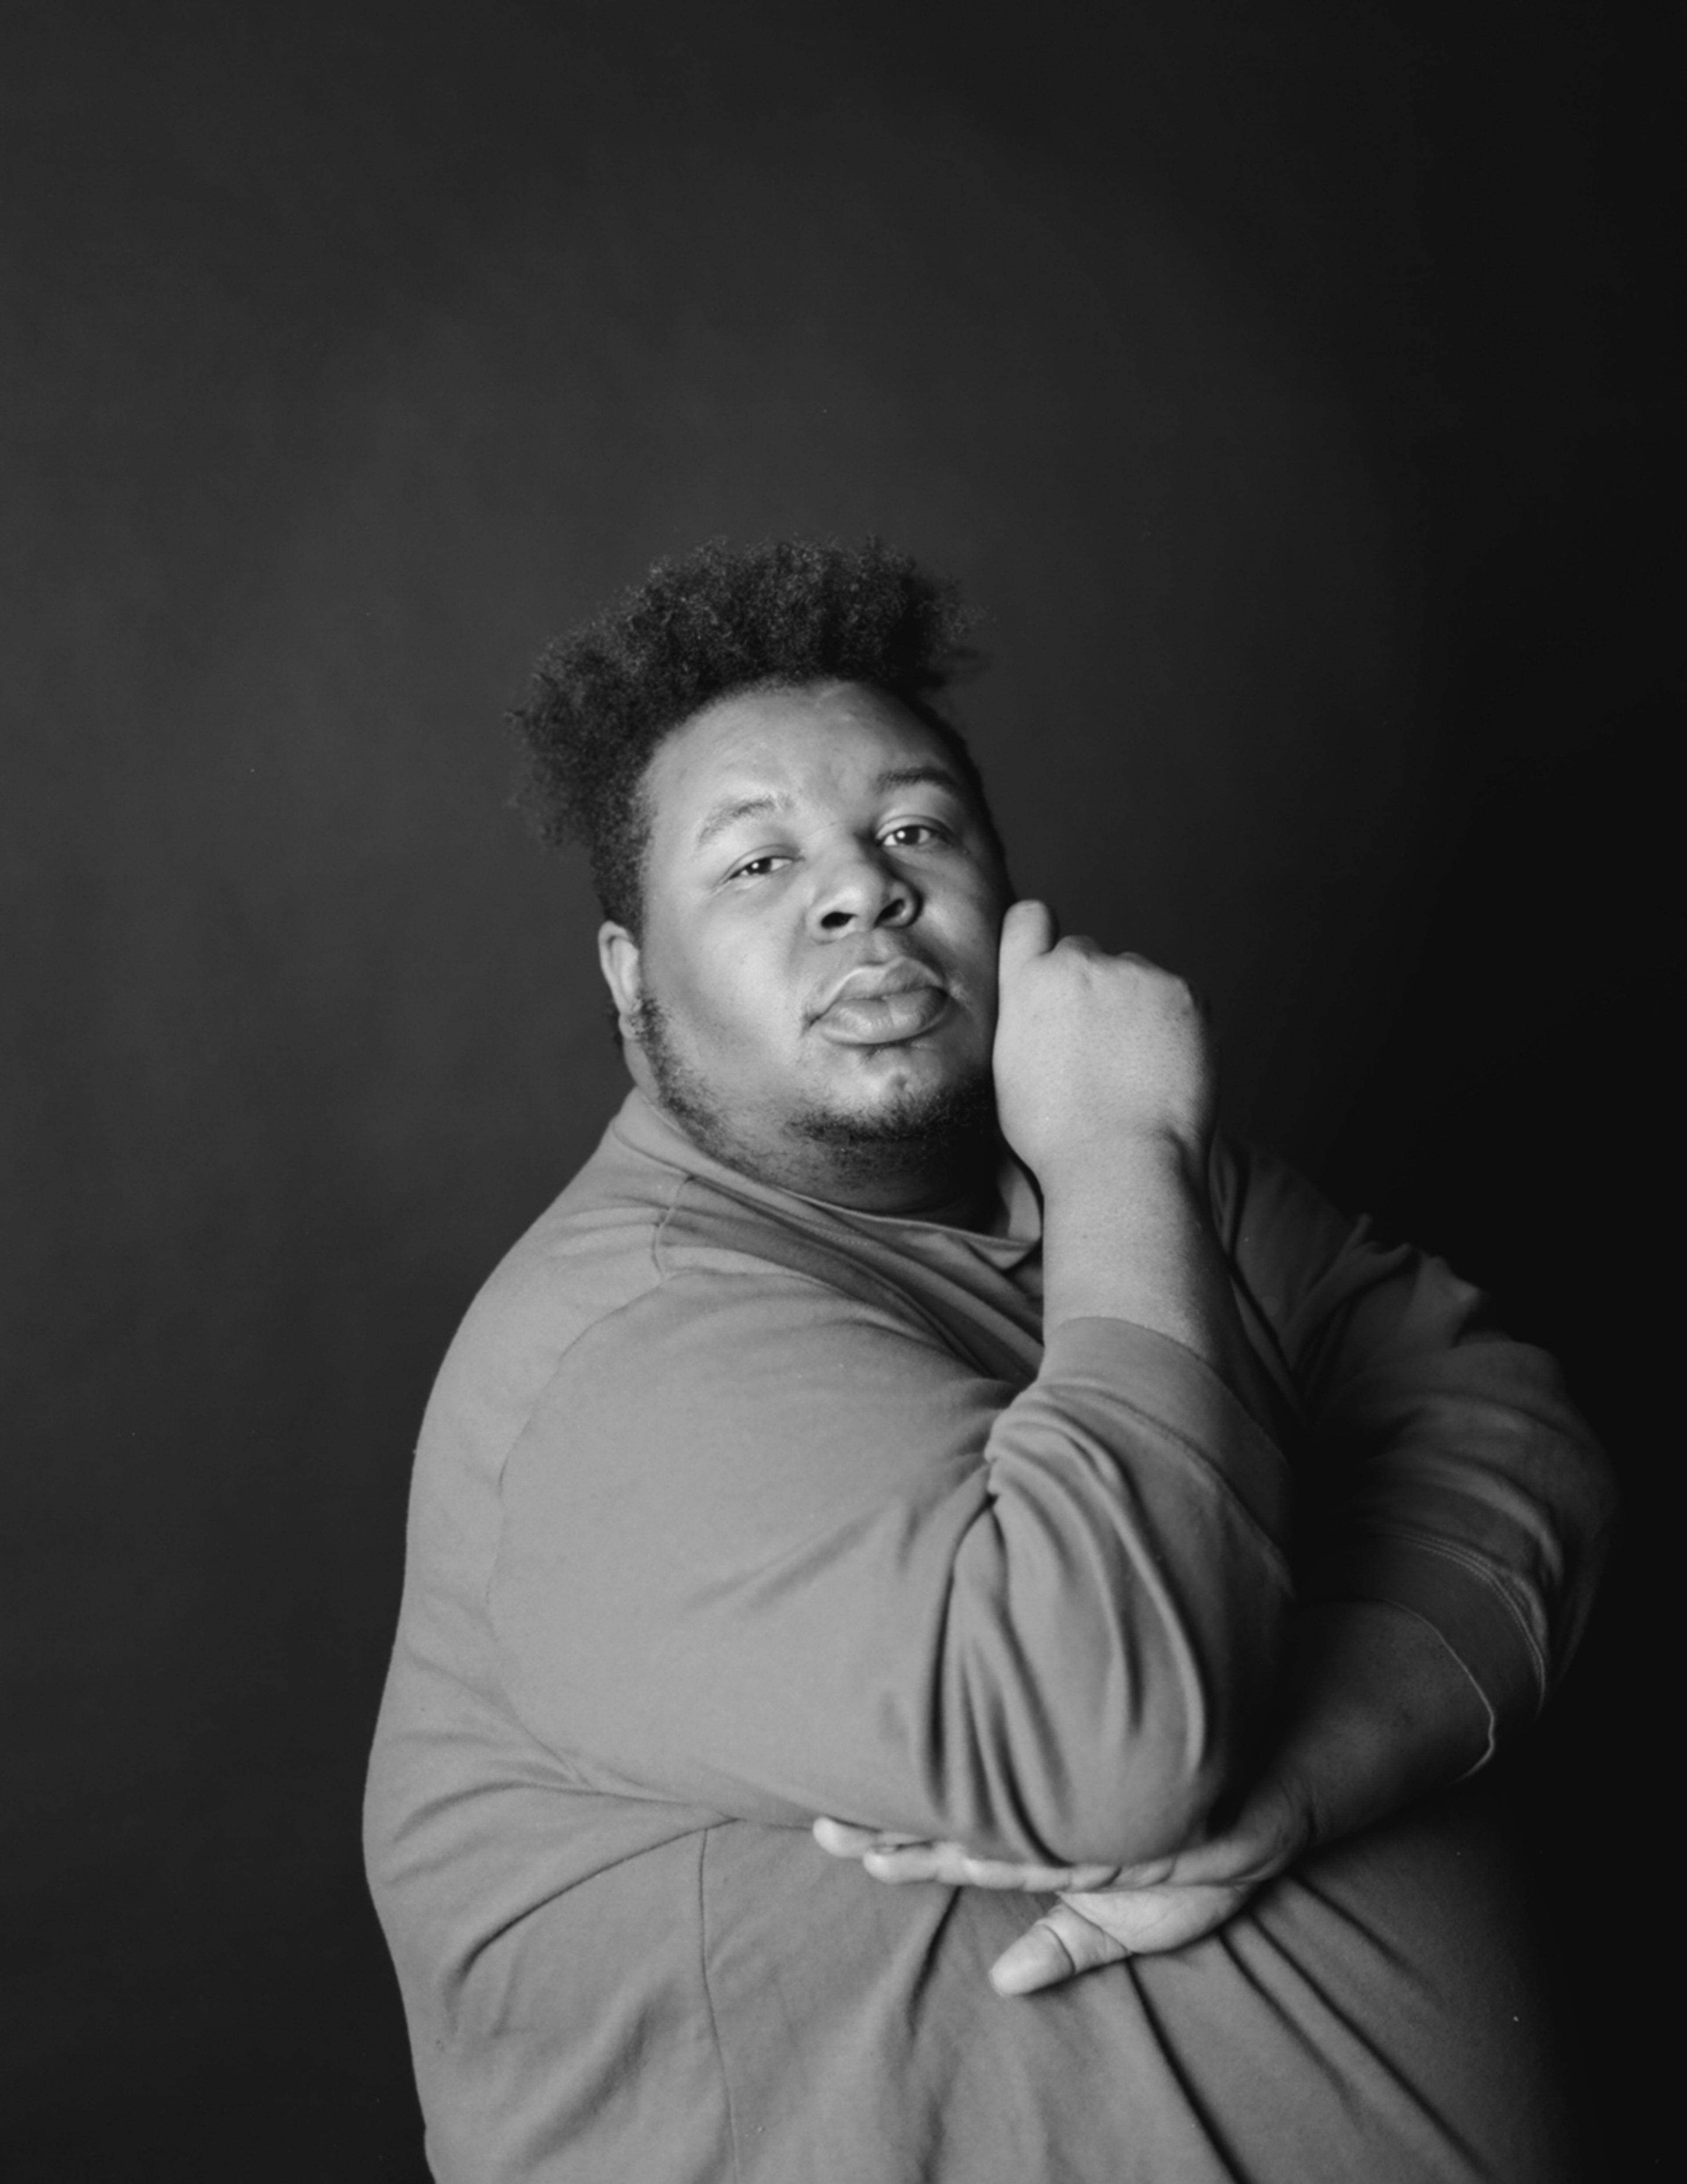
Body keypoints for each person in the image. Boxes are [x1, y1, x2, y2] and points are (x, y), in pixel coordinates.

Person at [364, 537, 1615, 2183]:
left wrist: (1313, 1766)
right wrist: (1114, 1154)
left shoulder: (1142, 1186)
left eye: (914, 829)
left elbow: (1515, 1433)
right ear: (627, 980)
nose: (863, 887)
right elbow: (1111, 1745)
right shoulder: (626, 1360)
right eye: (753, 864)